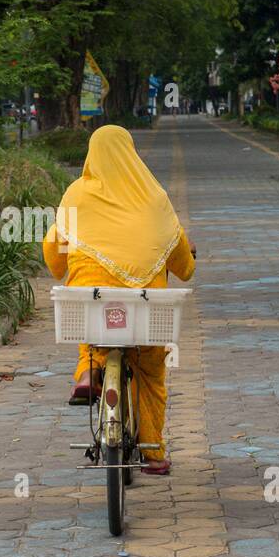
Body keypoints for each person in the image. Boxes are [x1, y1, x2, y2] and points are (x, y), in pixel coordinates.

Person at [42, 125, 195, 475]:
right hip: (146, 307)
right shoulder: (154, 197)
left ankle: (89, 372)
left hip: (93, 299)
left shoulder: (77, 194)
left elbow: (55, 253)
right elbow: (182, 261)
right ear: (131, 153)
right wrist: (186, 264)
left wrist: (61, 264)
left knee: (93, 338)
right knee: (150, 371)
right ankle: (153, 454)